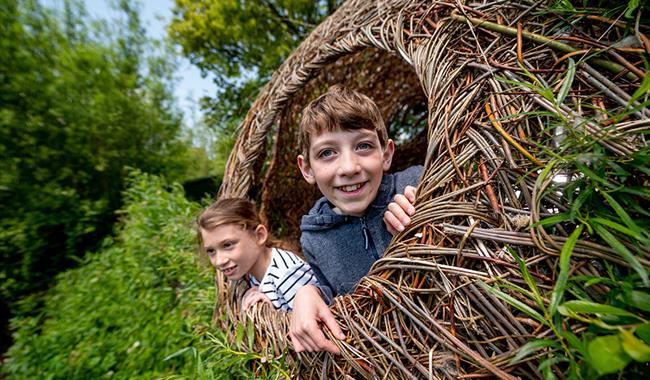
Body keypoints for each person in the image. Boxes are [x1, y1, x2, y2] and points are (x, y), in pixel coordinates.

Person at [290, 84, 423, 353]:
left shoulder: (418, 183)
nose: (349, 168)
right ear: (307, 169)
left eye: (363, 146)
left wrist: (427, 210)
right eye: (327, 153)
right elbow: (333, 296)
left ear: (386, 154)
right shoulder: (315, 237)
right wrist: (306, 294)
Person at [197, 198, 319, 311]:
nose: (219, 261)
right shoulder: (250, 271)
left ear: (259, 236)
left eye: (228, 245)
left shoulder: (286, 275)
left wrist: (273, 312)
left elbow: (312, 321)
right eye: (211, 251)